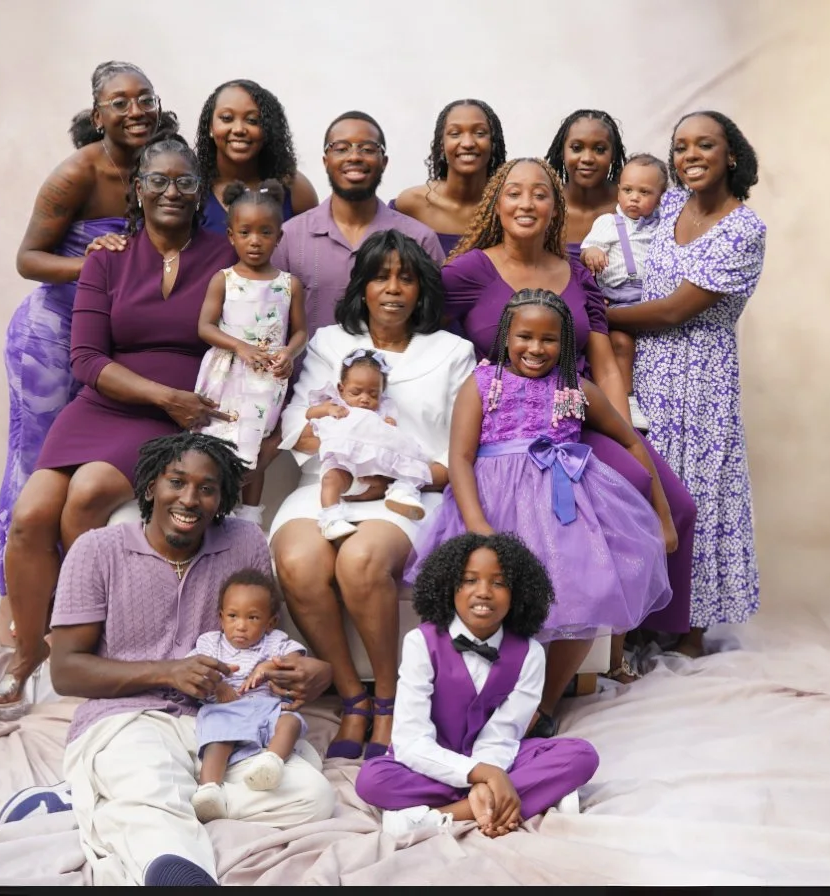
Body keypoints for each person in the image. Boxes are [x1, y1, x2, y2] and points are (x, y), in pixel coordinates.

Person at [0, 128, 239, 719]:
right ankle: (30, 652)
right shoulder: (108, 257)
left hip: (178, 409)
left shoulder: (225, 257)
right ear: (138, 188)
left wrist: (185, 405)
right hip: (106, 402)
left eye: (185, 181)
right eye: (158, 181)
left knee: (91, 489)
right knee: (28, 517)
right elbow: (85, 360)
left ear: (200, 189)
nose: (172, 192)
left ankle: (92, 642)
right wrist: (162, 396)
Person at [441, 158, 697, 726]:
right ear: (496, 204)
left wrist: (623, 422)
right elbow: (421, 329)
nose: (527, 204)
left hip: (573, 410)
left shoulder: (578, 267)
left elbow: (602, 355)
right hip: (508, 424)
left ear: (558, 208)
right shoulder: (467, 272)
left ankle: (628, 643)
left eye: (541, 194)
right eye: (514, 193)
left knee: (670, 502)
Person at [47, 433, 335, 886]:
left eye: (206, 488)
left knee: (312, 797)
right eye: (176, 482)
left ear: (221, 498)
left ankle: (131, 797)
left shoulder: (243, 542)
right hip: (132, 715)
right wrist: (166, 671)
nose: (190, 499)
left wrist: (317, 668)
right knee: (148, 781)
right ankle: (177, 868)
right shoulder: (97, 550)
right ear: (149, 488)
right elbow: (64, 671)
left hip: (225, 718)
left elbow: (264, 632)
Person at [271, 230, 477, 761]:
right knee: (297, 559)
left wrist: (402, 471)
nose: (392, 289)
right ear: (361, 286)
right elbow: (298, 424)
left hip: (412, 491)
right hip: (329, 483)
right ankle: (351, 696)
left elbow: (460, 450)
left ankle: (389, 702)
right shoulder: (328, 343)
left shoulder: (453, 353)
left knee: (360, 561)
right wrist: (359, 458)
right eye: (381, 276)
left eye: (405, 278)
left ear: (421, 290)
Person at [409, 288, 675, 687]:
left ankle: (548, 702)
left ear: (564, 343)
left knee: (587, 591)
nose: (536, 348)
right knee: (497, 595)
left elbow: (633, 441)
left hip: (564, 508)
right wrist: (477, 523)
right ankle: (496, 694)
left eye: (549, 339)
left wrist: (663, 517)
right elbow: (460, 458)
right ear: (506, 337)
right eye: (525, 337)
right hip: (495, 504)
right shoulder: (482, 384)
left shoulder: (576, 390)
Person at [0, 61, 173, 640]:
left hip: (113, 338)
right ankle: (14, 599)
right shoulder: (76, 174)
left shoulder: (163, 164)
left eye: (143, 99)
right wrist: (94, 265)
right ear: (99, 117)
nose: (135, 111)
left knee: (85, 473)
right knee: (34, 460)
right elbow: (28, 259)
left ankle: (75, 600)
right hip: (53, 332)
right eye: (119, 103)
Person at [606, 111, 767, 659]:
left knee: (699, 495)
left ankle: (692, 630)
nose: (690, 155)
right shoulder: (667, 204)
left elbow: (676, 311)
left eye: (705, 145)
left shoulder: (745, 230)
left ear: (731, 156)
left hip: (701, 377)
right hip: (643, 372)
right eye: (680, 147)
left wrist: (594, 318)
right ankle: (646, 618)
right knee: (646, 490)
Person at [355, 533, 600, 838]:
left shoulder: (530, 654)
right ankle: (533, 796)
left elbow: (504, 736)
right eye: (470, 580)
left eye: (498, 583)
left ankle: (442, 816)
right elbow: (411, 740)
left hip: (498, 757)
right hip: (431, 758)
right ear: (449, 587)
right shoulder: (421, 642)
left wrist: (488, 776)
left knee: (581, 755)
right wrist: (486, 776)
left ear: (518, 593)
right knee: (372, 779)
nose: (483, 592)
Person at [273, 111, 446, 337]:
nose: (354, 156)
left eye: (367, 148)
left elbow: (436, 319)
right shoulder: (288, 237)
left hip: (396, 371)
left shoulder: (419, 238)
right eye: (341, 148)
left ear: (384, 162)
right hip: (309, 372)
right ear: (326, 161)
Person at [193, 179, 306, 523]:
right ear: (231, 235)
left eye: (265, 232)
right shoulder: (224, 279)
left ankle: (251, 518)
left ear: (278, 237)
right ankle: (214, 512)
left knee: (255, 447)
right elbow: (205, 327)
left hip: (266, 378)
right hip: (227, 372)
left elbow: (300, 330)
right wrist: (240, 346)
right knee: (218, 439)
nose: (255, 241)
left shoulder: (289, 284)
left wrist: (289, 353)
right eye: (245, 232)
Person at [187, 568, 310, 824]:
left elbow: (296, 659)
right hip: (226, 709)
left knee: (291, 721)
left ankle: (271, 761)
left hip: (266, 707)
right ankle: (209, 790)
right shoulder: (210, 643)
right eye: (232, 616)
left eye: (253, 618)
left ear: (270, 622)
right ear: (221, 618)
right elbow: (194, 669)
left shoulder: (274, 641)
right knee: (219, 738)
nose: (240, 626)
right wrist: (218, 684)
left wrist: (268, 667)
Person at [579, 154, 670, 430]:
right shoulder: (608, 222)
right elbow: (587, 248)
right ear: (618, 189)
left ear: (661, 196)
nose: (634, 198)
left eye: (645, 192)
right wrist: (592, 252)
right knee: (620, 342)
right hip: (618, 295)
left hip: (651, 297)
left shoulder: (664, 226)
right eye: (628, 190)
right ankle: (626, 399)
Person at [307, 348, 432, 540]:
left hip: (373, 475)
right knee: (330, 479)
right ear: (341, 389)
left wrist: (388, 425)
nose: (365, 399)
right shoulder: (337, 403)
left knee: (409, 460)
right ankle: (331, 519)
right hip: (344, 468)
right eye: (356, 392)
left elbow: (389, 441)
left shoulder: (382, 409)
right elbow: (309, 414)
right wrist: (327, 409)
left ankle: (402, 492)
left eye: (373, 394)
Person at [194, 78, 318, 234]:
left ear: (268, 129)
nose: (239, 129)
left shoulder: (294, 188)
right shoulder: (192, 186)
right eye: (227, 118)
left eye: (252, 120)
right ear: (210, 127)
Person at [392, 99, 508, 256]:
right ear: (442, 144)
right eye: (455, 134)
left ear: (493, 142)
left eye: (480, 133)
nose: (467, 143)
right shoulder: (410, 205)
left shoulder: (508, 205)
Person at [543, 109, 628, 264]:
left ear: (613, 154)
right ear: (562, 152)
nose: (587, 158)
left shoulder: (632, 205)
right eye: (576, 148)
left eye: (600, 149)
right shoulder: (546, 207)